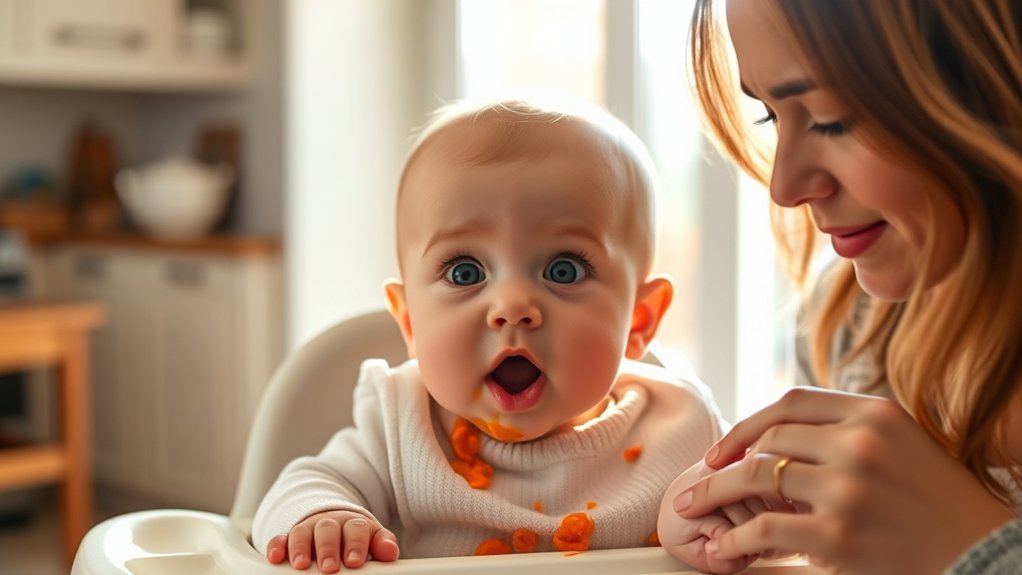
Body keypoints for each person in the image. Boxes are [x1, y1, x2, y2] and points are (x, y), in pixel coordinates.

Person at [252, 95, 726, 573]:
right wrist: (323, 515)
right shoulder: (401, 430)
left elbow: (763, 519)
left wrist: (735, 523)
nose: (513, 307)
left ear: (638, 319)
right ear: (411, 321)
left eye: (563, 270)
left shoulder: (684, 434)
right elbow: (298, 488)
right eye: (464, 272)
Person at [657, 0, 1022, 573]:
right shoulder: (849, 329)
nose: (785, 186)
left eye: (831, 118)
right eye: (771, 116)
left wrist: (976, 547)